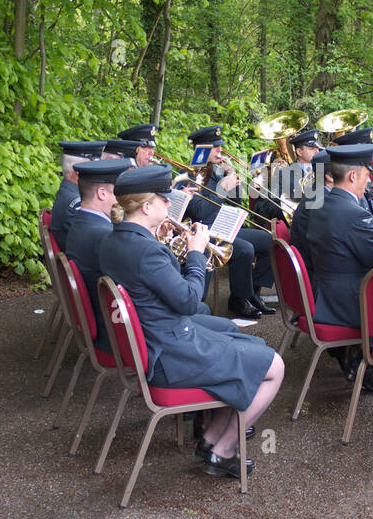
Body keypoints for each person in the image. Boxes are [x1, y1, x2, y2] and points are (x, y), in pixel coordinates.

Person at [98, 165, 284, 479]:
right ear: (146, 207)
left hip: (154, 339)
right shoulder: (147, 252)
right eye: (163, 200)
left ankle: (211, 438)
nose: (170, 205)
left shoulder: (113, 240)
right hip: (171, 351)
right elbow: (187, 300)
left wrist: (166, 247)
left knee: (248, 343)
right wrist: (196, 254)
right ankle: (223, 450)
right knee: (274, 367)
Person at [305, 143, 373, 392]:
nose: (369, 181)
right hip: (347, 301)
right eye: (367, 175)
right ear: (352, 176)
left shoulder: (318, 202)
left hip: (324, 292)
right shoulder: (354, 213)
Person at [181, 124, 275, 318]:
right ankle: (239, 299)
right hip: (205, 233)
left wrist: (232, 179)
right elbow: (199, 211)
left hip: (225, 226)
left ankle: (253, 293)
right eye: (214, 147)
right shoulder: (190, 175)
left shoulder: (216, 172)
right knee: (245, 249)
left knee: (269, 240)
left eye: (219, 146)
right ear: (201, 149)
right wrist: (223, 187)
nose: (220, 150)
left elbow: (236, 205)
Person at [63, 157, 132, 350]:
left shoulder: (82, 221)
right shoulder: (103, 234)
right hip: (116, 333)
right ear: (102, 193)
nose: (123, 198)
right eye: (119, 192)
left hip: (103, 320)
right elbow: (138, 283)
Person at [51, 140, 106, 250]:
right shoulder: (76, 203)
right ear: (79, 171)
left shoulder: (67, 193)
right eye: (93, 167)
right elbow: (91, 239)